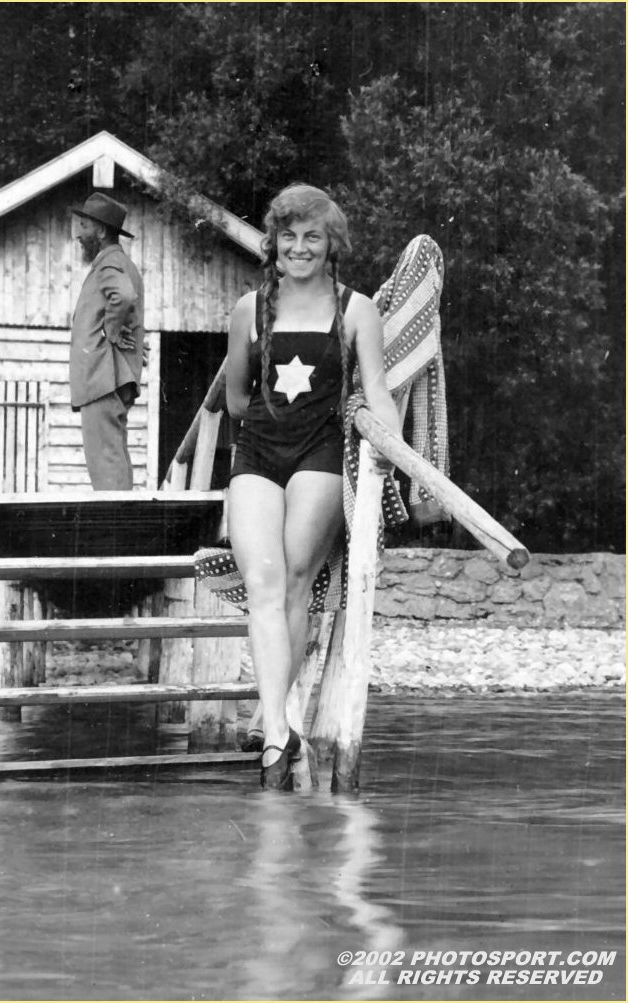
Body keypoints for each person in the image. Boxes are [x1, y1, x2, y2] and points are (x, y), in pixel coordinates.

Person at [225, 183, 404, 790]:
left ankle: (274, 727)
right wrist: (265, 425)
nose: (299, 248)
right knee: (263, 581)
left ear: (332, 246)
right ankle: (279, 728)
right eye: (288, 236)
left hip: (321, 451)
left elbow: (377, 390)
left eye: (313, 237)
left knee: (297, 578)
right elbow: (234, 395)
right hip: (257, 451)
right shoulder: (249, 309)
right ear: (273, 243)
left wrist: (392, 442)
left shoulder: (356, 309)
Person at [70, 192, 145, 490]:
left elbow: (124, 296)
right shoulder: (121, 263)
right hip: (111, 375)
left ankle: (116, 528)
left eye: (84, 226)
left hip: (101, 377)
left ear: (101, 231)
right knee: (113, 455)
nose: (79, 234)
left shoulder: (108, 263)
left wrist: (111, 331)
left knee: (105, 460)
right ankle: (122, 524)